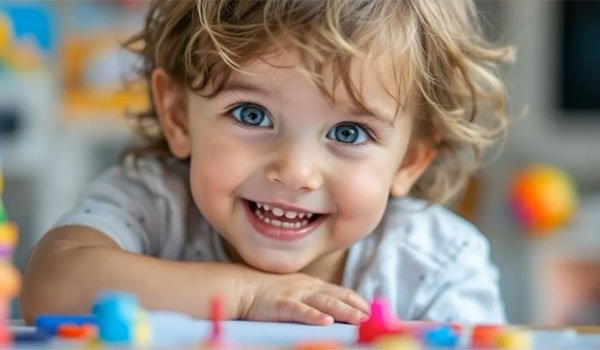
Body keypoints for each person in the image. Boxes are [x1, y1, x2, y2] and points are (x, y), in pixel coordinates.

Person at [21, 0, 514, 326]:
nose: (295, 171)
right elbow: (51, 283)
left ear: (409, 159)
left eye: (349, 133)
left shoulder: (435, 265)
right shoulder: (155, 203)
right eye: (252, 115)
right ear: (178, 115)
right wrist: (244, 296)